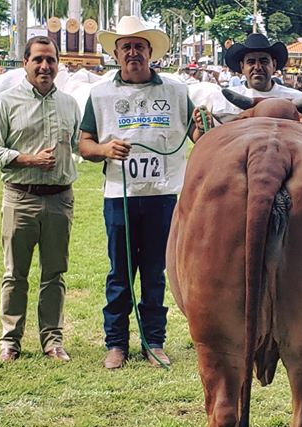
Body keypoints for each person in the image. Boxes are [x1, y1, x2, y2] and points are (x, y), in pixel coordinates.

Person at [79, 15, 211, 370]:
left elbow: (196, 138)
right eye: (126, 47)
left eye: (139, 46)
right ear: (116, 54)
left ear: (150, 52)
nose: (133, 52)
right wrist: (104, 150)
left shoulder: (176, 91)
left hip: (164, 196)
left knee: (155, 272)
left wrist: (203, 129)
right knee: (119, 274)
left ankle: (154, 341)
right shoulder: (100, 94)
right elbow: (83, 143)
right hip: (119, 195)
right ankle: (116, 344)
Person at [0, 36, 82, 364]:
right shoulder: (5, 102)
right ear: (25, 62)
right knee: (15, 274)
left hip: (59, 200)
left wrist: (112, 147)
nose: (44, 66)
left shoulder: (69, 104)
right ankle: (10, 340)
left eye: (50, 60)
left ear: (58, 64)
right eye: (37, 59)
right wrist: (27, 159)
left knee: (55, 274)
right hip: (20, 198)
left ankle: (52, 340)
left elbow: (83, 144)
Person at [217, 33, 302, 119]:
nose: (257, 67)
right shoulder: (225, 100)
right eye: (251, 62)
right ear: (242, 67)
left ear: (274, 65)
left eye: (264, 61)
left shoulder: (296, 97)